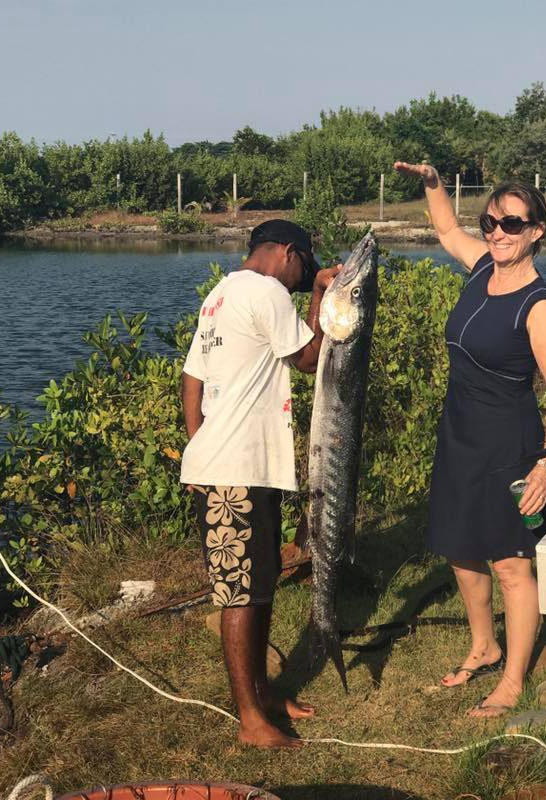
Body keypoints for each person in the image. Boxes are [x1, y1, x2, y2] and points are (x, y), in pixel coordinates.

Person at [394, 162, 546, 718]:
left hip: (509, 446)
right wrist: (431, 182)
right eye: (490, 221)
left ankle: (514, 679)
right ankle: (483, 645)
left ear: (536, 231)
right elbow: (447, 230)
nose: (496, 232)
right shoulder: (480, 268)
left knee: (512, 564)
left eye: (511, 225)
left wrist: (545, 465)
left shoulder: (537, 304)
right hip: (459, 434)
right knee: (461, 547)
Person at [180, 219, 340, 747]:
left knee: (260, 582)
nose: (303, 277)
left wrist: (198, 445)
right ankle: (250, 718)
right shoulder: (268, 291)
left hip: (239, 465)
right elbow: (310, 358)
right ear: (287, 253)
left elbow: (191, 377)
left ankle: (263, 692)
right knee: (240, 596)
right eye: (305, 267)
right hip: (238, 470)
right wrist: (318, 297)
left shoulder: (220, 294)